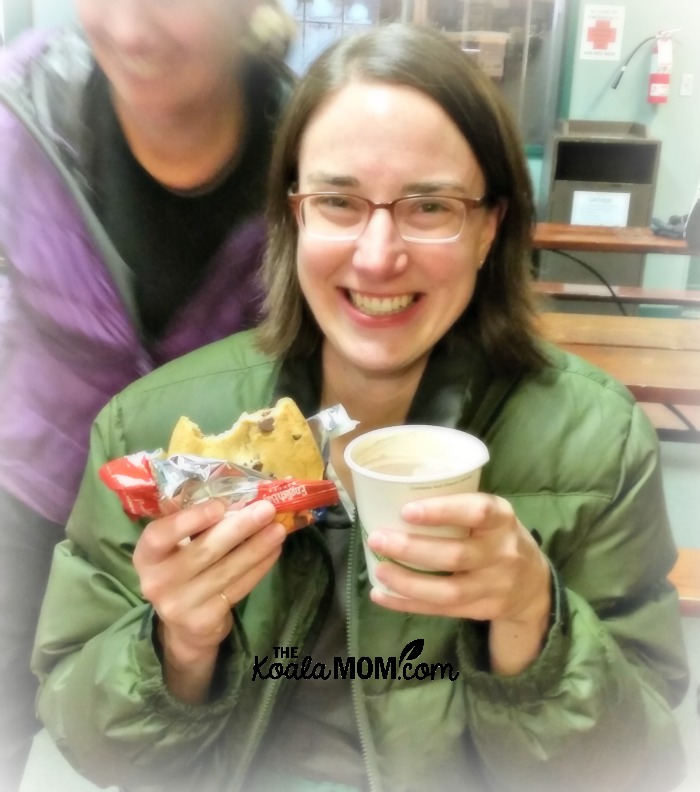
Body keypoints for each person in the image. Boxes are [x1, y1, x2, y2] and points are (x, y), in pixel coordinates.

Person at [31, 23, 688, 792]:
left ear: (489, 227)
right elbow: (87, 739)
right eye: (339, 200)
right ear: (295, 215)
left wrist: (533, 622)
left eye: (431, 207)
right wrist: (176, 643)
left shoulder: (596, 442)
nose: (377, 256)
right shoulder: (148, 430)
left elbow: (636, 767)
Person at [0, 1, 296, 788]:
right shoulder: (23, 112)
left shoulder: (305, 150)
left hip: (215, 514)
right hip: (37, 497)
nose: (131, 30)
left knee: (184, 744)